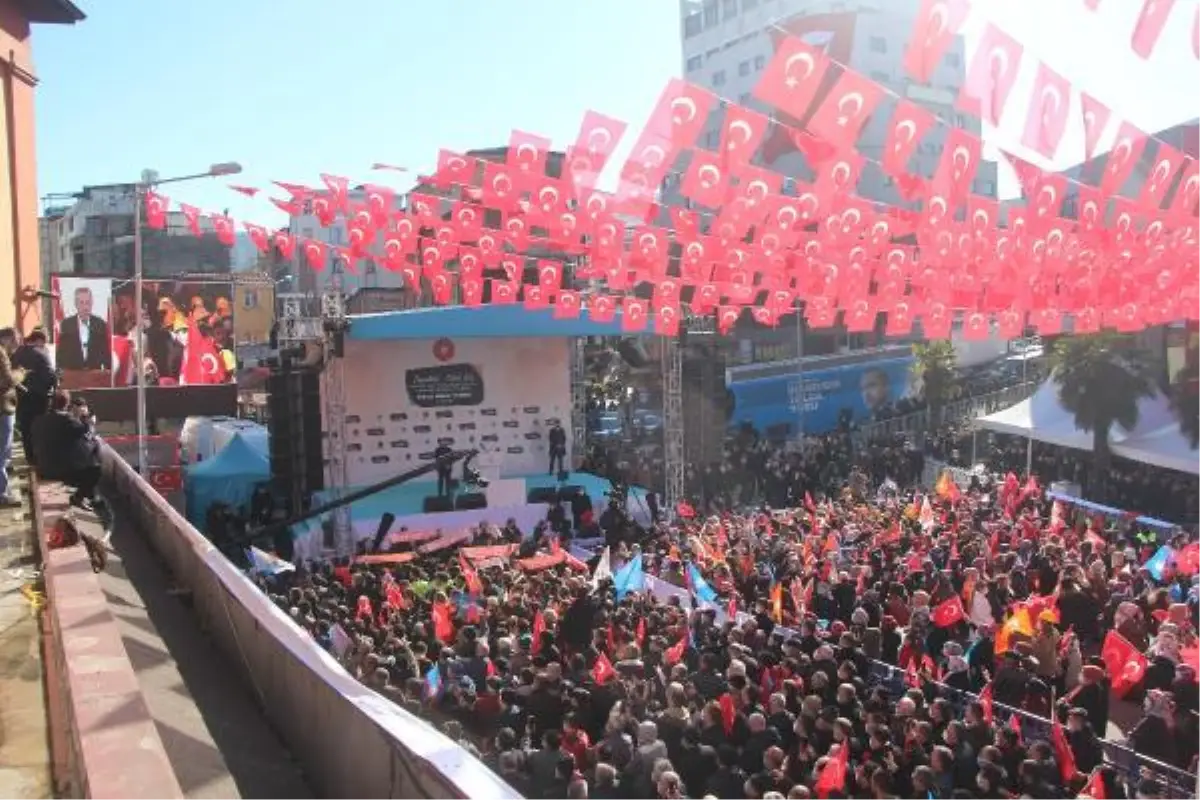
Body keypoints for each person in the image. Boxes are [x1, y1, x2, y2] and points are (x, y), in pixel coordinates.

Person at [32, 390, 102, 509]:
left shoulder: (39, 420)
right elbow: (84, 433)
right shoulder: (68, 421)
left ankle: (91, 495)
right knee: (95, 469)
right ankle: (79, 497)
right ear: (67, 404)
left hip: (42, 467)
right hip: (59, 470)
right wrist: (88, 420)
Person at [12, 327, 57, 468]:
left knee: (26, 430)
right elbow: (50, 376)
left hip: (20, 398)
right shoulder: (41, 354)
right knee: (39, 429)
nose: (44, 346)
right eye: (44, 343)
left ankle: (30, 459)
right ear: (38, 341)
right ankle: (41, 459)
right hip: (39, 400)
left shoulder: (15, 354)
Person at [56, 285, 111, 371]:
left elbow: (106, 353)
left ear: (92, 303)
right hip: (73, 375)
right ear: (76, 304)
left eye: (88, 302)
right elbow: (61, 353)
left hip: (94, 375)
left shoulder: (100, 324)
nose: (85, 307)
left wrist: (108, 372)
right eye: (82, 303)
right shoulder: (67, 324)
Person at [0, 328, 26, 507]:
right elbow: (8, 380)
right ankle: (1, 494)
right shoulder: (1, 353)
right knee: (2, 452)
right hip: (3, 409)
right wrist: (21, 373)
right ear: (7, 338)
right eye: (15, 342)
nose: (15, 347)